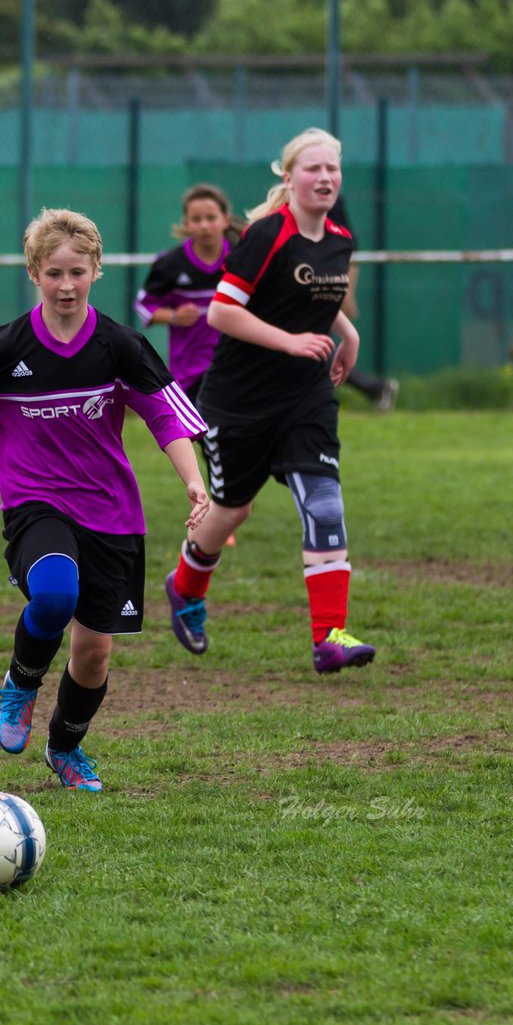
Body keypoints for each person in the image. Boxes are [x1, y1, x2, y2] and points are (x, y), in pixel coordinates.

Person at [0, 208, 209, 791]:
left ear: (95, 272)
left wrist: (192, 480)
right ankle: (21, 682)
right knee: (56, 594)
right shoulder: (4, 346)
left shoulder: (119, 345)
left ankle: (65, 748)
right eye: (54, 273)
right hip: (36, 503)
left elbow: (166, 412)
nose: (66, 285)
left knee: (93, 656)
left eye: (78, 273)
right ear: (34, 272)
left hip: (112, 512)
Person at [163, 127, 377, 675]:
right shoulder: (266, 234)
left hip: (306, 395)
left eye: (333, 169)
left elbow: (312, 300)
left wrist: (345, 336)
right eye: (314, 169)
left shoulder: (339, 238)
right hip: (239, 402)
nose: (325, 177)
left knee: (324, 501)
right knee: (233, 508)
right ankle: (185, 587)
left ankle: (329, 637)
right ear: (289, 177)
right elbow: (221, 311)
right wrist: (289, 341)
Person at [134, 182, 243, 545]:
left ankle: (225, 509)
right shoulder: (170, 264)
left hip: (236, 366)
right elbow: (143, 304)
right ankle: (221, 510)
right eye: (196, 219)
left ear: (224, 220)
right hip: (190, 371)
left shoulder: (242, 255)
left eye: (211, 217)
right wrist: (170, 315)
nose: (204, 224)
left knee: (227, 438)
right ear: (187, 224)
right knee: (210, 438)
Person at [329, 197, 399, 411]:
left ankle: (375, 388)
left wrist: (347, 290)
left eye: (331, 168)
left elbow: (349, 245)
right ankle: (374, 388)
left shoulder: (328, 197)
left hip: (327, 278)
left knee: (313, 349)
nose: (323, 175)